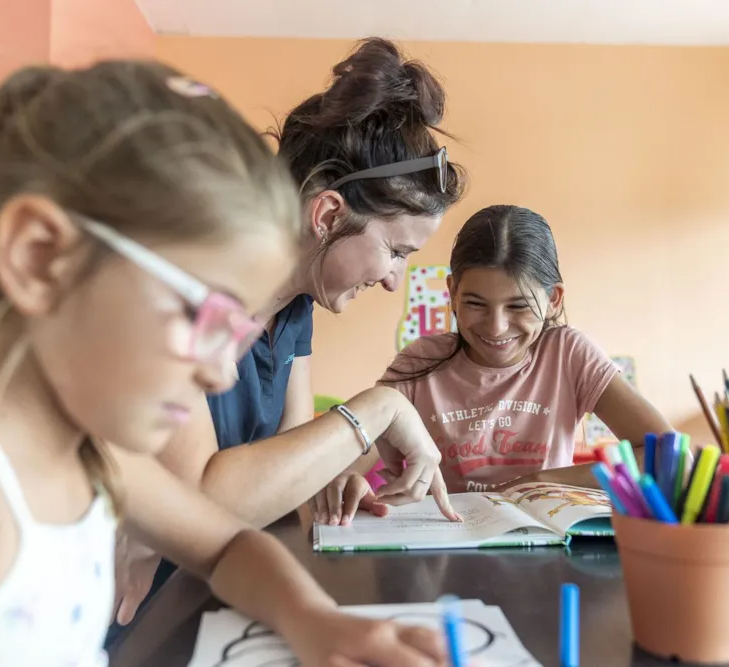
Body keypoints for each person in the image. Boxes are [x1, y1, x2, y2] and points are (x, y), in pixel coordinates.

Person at [0, 60, 450, 667]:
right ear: (41, 257)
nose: (223, 373)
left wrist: (314, 620)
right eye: (206, 318)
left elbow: (228, 546)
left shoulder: (92, 453)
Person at [111, 38, 466, 627]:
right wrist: (377, 409)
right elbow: (202, 498)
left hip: (225, 591)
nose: (391, 281)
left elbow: (286, 459)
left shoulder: (297, 309)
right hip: (133, 607)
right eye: (396, 251)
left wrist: (334, 478)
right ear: (327, 215)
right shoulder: (192, 289)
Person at [311, 205, 674, 524]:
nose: (496, 327)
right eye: (476, 304)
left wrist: (538, 482)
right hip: (453, 540)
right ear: (451, 293)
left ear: (553, 299)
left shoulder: (569, 354)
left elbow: (665, 455)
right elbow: (350, 455)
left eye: (517, 306)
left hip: (548, 540)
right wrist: (346, 478)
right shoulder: (421, 361)